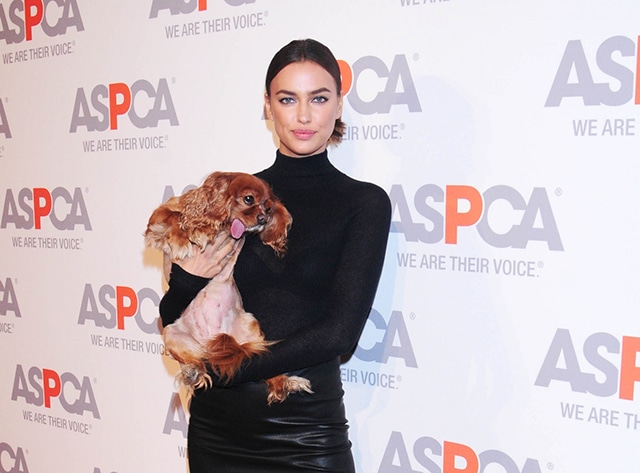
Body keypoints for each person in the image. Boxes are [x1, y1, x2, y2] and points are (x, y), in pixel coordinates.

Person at [159, 38, 392, 473]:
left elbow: (339, 335)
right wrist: (187, 278)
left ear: (338, 106)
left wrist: (226, 372)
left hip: (304, 432)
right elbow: (173, 316)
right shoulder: (234, 197)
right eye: (288, 99)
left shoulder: (363, 203)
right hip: (216, 432)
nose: (304, 116)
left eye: (319, 98)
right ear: (268, 106)